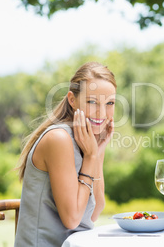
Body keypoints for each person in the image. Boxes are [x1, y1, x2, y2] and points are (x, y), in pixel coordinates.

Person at [14, 62, 117, 246]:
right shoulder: (59, 139)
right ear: (72, 99)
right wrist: (91, 157)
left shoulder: (85, 141)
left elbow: (95, 211)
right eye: (92, 102)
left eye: (110, 103)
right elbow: (72, 219)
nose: (102, 113)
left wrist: (98, 151)